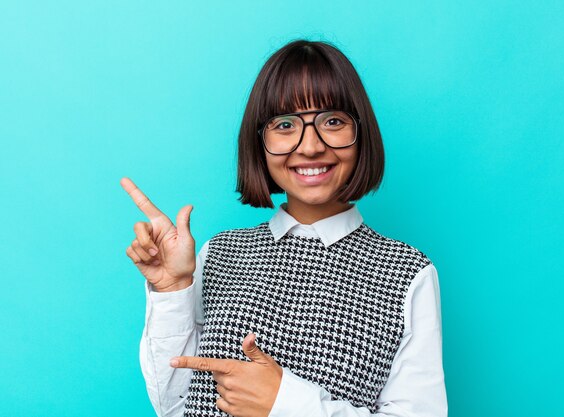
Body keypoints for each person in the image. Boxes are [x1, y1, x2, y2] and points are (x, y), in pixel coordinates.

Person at [121, 39, 448, 417]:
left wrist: (285, 403)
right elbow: (176, 406)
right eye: (285, 124)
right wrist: (172, 289)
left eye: (333, 121)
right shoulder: (222, 253)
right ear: (259, 141)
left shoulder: (405, 273)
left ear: (361, 134)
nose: (310, 146)